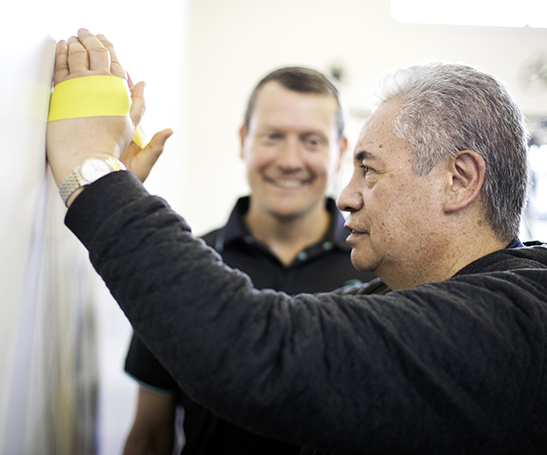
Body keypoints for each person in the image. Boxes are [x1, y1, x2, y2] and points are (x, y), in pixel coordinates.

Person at [46, 30, 547, 454]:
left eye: (369, 169)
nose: (346, 195)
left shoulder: (511, 328)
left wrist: (94, 174)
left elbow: (254, 349)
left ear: (459, 180)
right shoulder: (416, 298)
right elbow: (248, 329)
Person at [121, 67, 379, 455]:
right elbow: (149, 438)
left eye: (311, 141)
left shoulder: (381, 270)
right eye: (273, 136)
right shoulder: (183, 265)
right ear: (244, 141)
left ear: (340, 151)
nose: (290, 161)